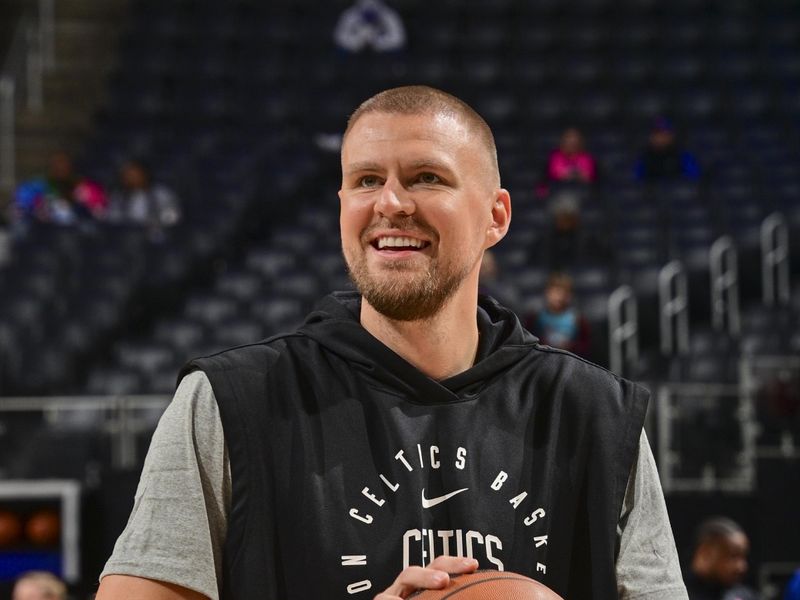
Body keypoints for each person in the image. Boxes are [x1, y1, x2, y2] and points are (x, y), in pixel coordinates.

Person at [97, 86, 687, 599]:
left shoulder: (595, 414)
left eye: (427, 178)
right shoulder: (230, 402)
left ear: (496, 216)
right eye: (366, 181)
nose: (391, 203)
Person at [12, 150, 106, 233]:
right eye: (56, 165)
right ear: (50, 167)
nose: (60, 168)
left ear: (71, 167)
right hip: (45, 232)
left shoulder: (87, 188)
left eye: (64, 164)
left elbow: (100, 214)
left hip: (78, 233)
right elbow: (20, 209)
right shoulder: (37, 187)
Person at [684, 517, 759, 600]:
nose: (741, 567)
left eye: (743, 557)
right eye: (733, 556)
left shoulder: (745, 596)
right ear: (705, 553)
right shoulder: (679, 593)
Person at [104, 158, 181, 237]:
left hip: (154, 234)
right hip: (126, 235)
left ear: (144, 174)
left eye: (135, 174)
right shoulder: (119, 197)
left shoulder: (161, 193)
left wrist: (156, 221)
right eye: (127, 175)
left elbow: (173, 216)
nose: (131, 178)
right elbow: (111, 217)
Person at [528, 273, 591, 358]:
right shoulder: (535, 318)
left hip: (570, 360)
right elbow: (529, 344)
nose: (559, 297)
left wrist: (571, 346)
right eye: (556, 292)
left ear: (570, 295)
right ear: (547, 293)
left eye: (564, 293)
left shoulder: (578, 319)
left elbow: (585, 346)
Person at [634, 116, 701, 182]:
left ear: (672, 135)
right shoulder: (644, 158)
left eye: (665, 133)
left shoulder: (682, 156)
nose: (661, 138)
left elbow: (693, 178)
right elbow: (636, 180)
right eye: (657, 134)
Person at [333, 0, 406, 54]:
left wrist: (378, 41)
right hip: (354, 58)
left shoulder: (389, 16)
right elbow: (339, 38)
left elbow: (399, 39)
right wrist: (358, 41)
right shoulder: (350, 15)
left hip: (383, 59)